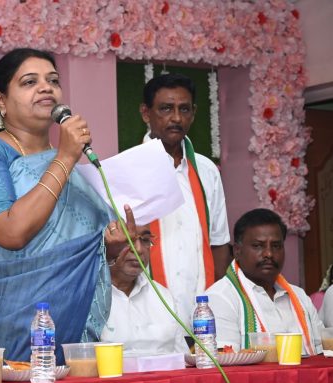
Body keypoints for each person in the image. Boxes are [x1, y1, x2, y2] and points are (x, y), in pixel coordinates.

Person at [0, 48, 134, 362]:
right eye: (29, 82)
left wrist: (110, 247)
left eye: (53, 80)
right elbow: (11, 232)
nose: (46, 88)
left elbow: (73, 253)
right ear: (0, 100)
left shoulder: (73, 167)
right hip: (7, 323)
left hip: (76, 327)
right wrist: (65, 157)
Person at [139, 73, 231, 325]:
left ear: (193, 113)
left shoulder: (207, 170)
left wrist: (218, 304)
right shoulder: (129, 169)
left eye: (184, 109)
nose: (177, 118)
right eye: (166, 109)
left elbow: (219, 243)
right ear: (146, 113)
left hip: (202, 311)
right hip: (148, 315)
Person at [205, 208, 323, 355]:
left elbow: (322, 353)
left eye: (276, 246)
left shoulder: (300, 297)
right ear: (237, 251)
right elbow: (225, 361)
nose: (269, 254)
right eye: (258, 246)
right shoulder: (219, 298)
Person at [101, 224, 188, 355]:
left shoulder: (163, 296)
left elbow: (184, 360)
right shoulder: (89, 297)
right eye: (128, 239)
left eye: (145, 240)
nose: (139, 249)